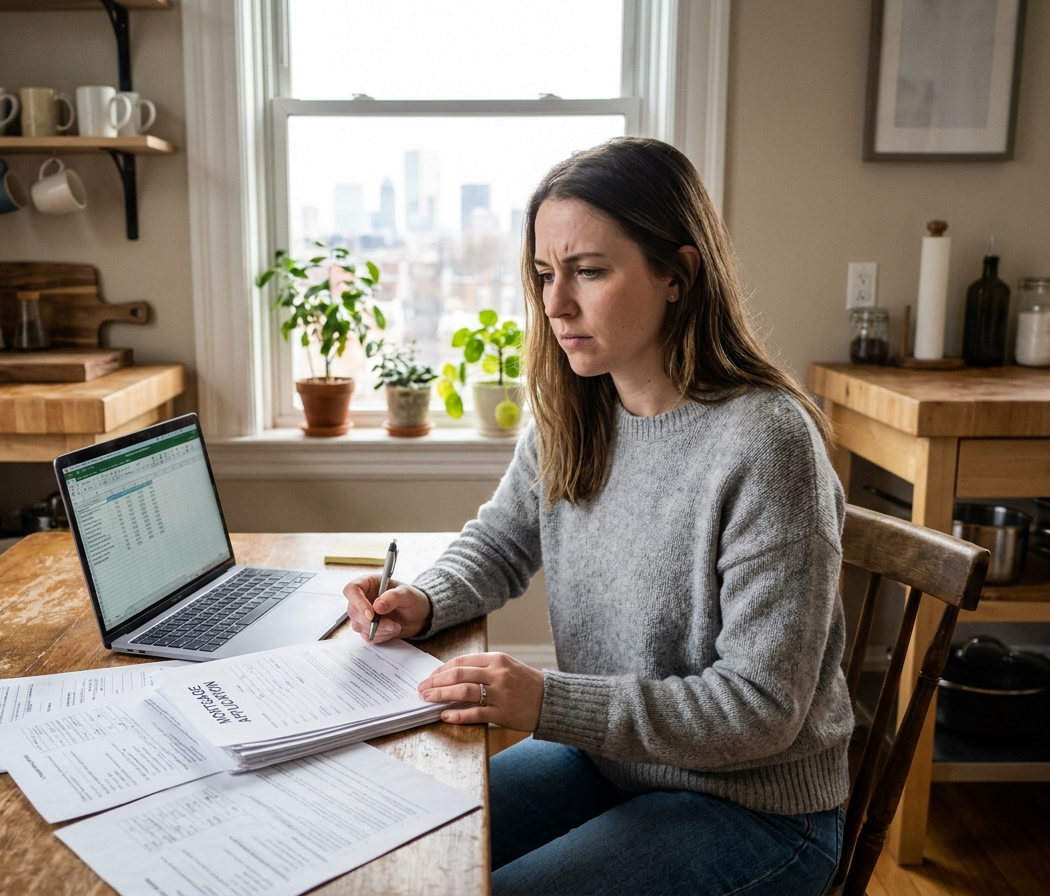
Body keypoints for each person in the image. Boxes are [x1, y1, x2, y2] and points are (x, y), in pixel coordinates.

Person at [344, 137, 854, 896]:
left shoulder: (766, 441)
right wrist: (425, 597)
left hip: (758, 810)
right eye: (547, 275)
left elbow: (762, 710)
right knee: (401, 853)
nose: (555, 304)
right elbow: (501, 540)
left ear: (678, 274)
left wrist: (548, 700)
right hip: (614, 762)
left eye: (588, 271)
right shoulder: (577, 409)